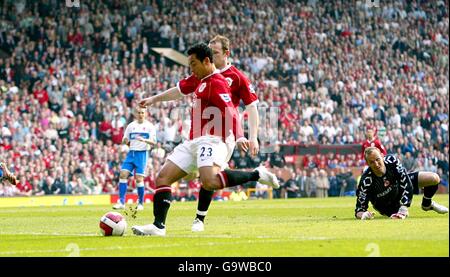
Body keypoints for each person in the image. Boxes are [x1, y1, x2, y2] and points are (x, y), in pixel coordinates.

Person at [132, 43, 279, 236]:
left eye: (193, 64)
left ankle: (256, 174)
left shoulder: (217, 83)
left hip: (214, 139)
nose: (191, 69)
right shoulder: (199, 78)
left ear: (207, 61)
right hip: (194, 140)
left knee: (209, 181)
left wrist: (241, 135)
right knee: (163, 177)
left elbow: (231, 112)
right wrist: (153, 100)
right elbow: (178, 90)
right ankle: (158, 226)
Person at [355, 147, 448, 220]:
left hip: (398, 187)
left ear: (382, 156)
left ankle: (427, 204)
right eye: (371, 162)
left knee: (434, 178)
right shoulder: (366, 181)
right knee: (397, 216)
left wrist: (404, 206)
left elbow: (406, 182)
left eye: (377, 159)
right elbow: (359, 209)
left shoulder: (392, 161)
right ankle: (398, 210)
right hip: (387, 204)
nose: (376, 164)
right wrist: (363, 215)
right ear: (367, 163)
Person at [112, 107, 156, 211]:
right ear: (135, 114)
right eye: (139, 113)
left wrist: (144, 140)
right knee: (123, 174)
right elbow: (125, 140)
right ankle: (121, 202)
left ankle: (140, 202)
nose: (141, 114)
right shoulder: (131, 126)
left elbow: (154, 142)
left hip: (142, 154)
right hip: (131, 153)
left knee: (139, 179)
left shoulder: (149, 126)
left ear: (145, 114)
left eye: (142, 113)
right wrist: (125, 141)